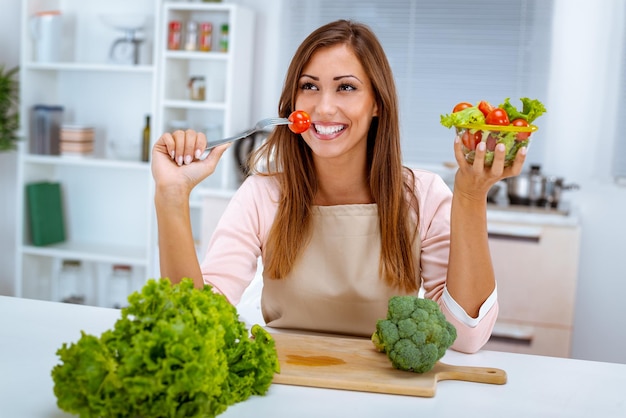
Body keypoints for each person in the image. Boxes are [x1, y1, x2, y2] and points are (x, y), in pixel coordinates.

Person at [151, 19, 527, 354]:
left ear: (377, 103)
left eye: (346, 87)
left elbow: (466, 336)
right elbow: (196, 323)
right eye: (309, 86)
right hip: (284, 385)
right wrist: (172, 196)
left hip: (385, 392)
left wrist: (471, 195)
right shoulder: (262, 194)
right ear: (292, 104)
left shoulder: (424, 196)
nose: (324, 108)